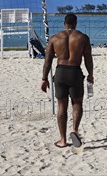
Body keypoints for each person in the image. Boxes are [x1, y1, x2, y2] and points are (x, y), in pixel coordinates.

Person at [41, 13, 93, 148]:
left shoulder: (54, 38)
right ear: (76, 23)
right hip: (75, 71)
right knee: (77, 103)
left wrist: (44, 78)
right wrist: (90, 74)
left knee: (61, 106)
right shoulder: (82, 37)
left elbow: (47, 61)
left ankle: (63, 140)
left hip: (60, 72)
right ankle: (75, 130)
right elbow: (88, 58)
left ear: (64, 23)